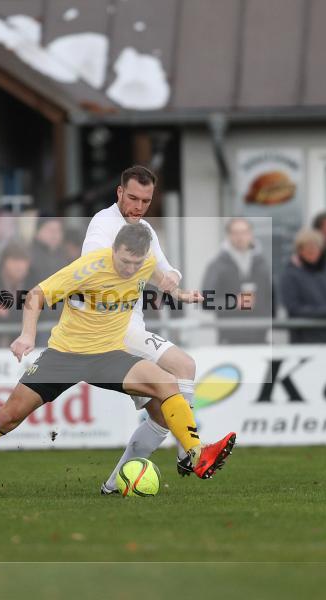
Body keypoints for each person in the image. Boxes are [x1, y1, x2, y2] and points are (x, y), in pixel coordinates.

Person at [0, 223, 236, 498]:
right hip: (65, 356)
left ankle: (196, 453)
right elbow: (36, 295)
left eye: (135, 263)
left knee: (167, 381)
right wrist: (27, 336)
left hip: (109, 355)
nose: (129, 268)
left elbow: (155, 276)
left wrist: (179, 294)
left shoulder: (144, 261)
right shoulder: (89, 267)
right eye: (124, 261)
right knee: (9, 416)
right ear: (114, 249)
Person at [81, 166, 201, 494]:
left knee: (163, 412)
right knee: (183, 367)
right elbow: (94, 266)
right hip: (109, 331)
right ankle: (190, 450)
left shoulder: (145, 228)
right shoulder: (103, 225)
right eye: (132, 197)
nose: (138, 206)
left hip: (132, 328)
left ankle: (112, 486)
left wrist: (174, 281)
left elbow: (164, 267)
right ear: (119, 193)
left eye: (145, 201)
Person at [201, 217, 272, 344]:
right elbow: (205, 302)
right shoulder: (217, 265)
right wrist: (234, 302)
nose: (240, 237)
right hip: (230, 340)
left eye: (244, 232)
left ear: (251, 234)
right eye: (236, 233)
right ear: (228, 236)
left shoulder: (262, 263)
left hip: (260, 338)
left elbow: (270, 300)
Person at [280, 228, 326, 344]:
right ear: (299, 250)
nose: (312, 250)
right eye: (307, 247)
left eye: (316, 246)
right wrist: (325, 312)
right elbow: (294, 308)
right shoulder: (290, 276)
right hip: (307, 343)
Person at [27, 215, 70, 285]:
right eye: (50, 230)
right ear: (37, 232)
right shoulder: (28, 256)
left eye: (58, 230)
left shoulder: (66, 256)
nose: (55, 234)